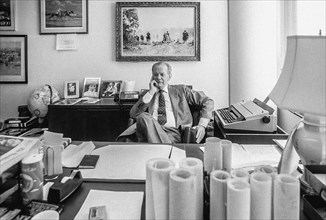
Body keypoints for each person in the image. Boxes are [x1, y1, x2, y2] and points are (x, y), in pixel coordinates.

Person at [117, 62, 214, 144]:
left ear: (169, 76)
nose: (158, 77)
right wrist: (151, 92)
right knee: (143, 117)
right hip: (148, 130)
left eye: (162, 74)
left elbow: (208, 101)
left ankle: (157, 150)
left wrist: (202, 125)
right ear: (152, 77)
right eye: (155, 74)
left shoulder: (181, 90)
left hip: (172, 133)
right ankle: (164, 152)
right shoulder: (147, 94)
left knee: (143, 142)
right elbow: (134, 114)